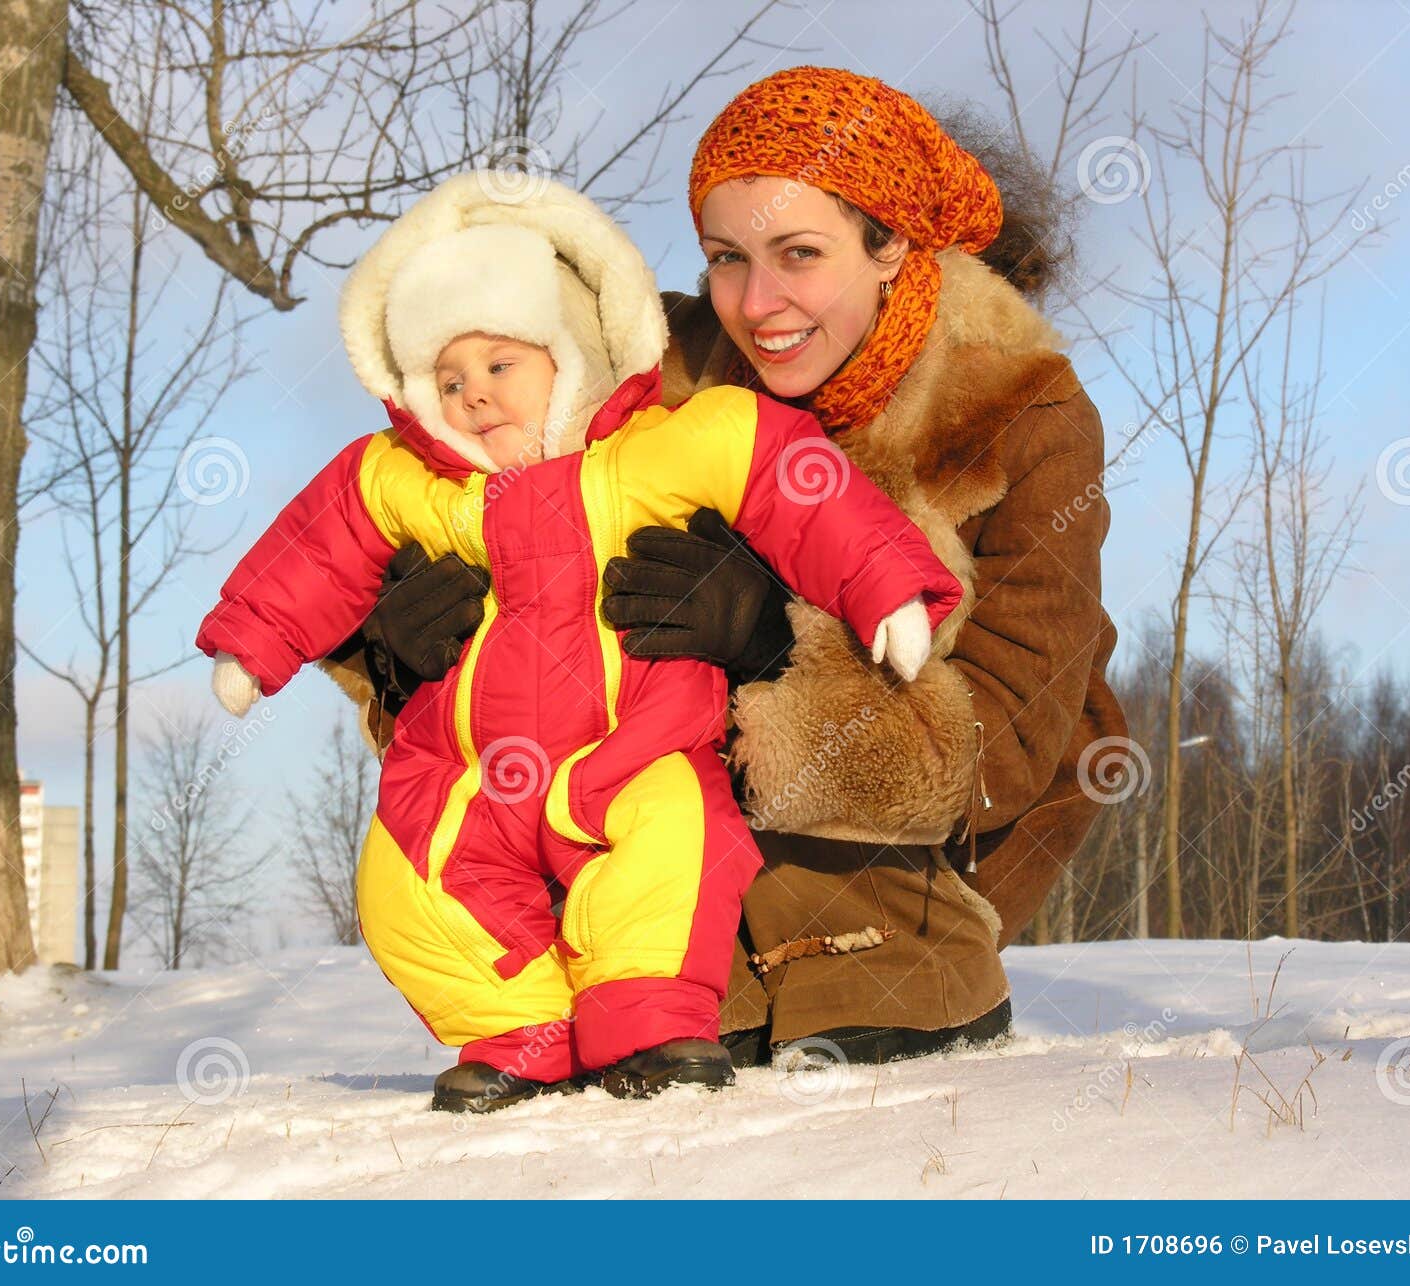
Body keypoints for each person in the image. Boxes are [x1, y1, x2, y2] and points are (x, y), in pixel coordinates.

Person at [345, 67, 1128, 1069]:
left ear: (888, 244)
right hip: (633, 830)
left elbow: (1009, 749)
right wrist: (400, 661)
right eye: (726, 258)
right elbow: (468, 523)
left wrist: (776, 650)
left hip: (910, 867)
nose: (758, 304)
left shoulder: (1025, 410)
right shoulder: (650, 370)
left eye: (799, 255)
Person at [195, 172, 967, 1111]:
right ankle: (517, 1026)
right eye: (448, 380)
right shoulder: (406, 480)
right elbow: (322, 541)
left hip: (633, 757)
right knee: (407, 880)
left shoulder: (659, 445)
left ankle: (650, 1025)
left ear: (570, 354)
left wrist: (841, 606)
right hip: (472, 771)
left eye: (500, 366)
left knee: (669, 847)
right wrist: (295, 643)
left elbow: (791, 478)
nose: (475, 396)